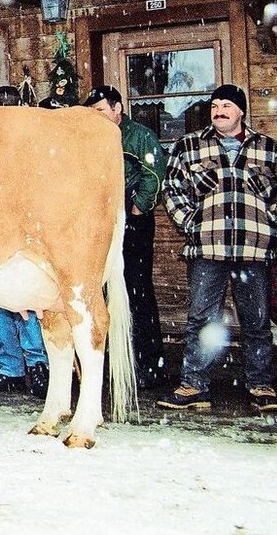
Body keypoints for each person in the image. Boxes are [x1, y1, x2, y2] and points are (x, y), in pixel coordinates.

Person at [159, 84, 277, 412]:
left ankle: (261, 385)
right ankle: (193, 385)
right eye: (215, 105)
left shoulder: (269, 149)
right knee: (200, 317)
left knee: (256, 321)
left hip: (253, 247)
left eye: (227, 105)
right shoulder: (189, 146)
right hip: (207, 247)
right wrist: (189, 222)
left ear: (241, 111)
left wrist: (276, 224)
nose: (219, 110)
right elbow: (171, 186)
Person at [83, 84, 168, 389]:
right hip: (100, 223)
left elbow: (154, 173)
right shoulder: (90, 139)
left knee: (137, 290)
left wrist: (137, 207)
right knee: (101, 291)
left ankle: (149, 364)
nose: (97, 117)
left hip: (131, 221)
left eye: (101, 111)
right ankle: (108, 366)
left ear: (117, 108)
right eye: (92, 113)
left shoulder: (138, 135)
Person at [0, 85, 49, 398]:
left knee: (29, 302)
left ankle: (38, 365)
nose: (7, 111)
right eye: (1, 106)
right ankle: (9, 367)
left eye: (12, 105)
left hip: (25, 232)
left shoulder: (31, 143)